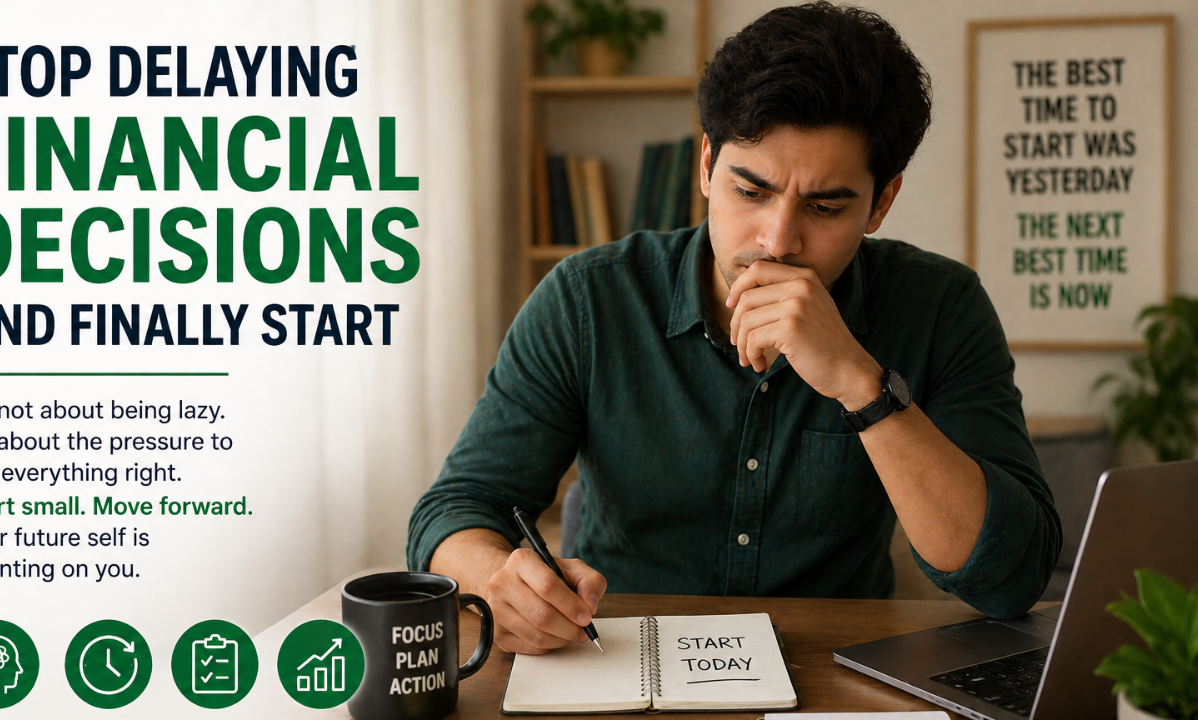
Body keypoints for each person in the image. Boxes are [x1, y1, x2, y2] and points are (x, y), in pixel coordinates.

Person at [407, 1, 1060, 656]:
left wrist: (861, 385)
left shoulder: (940, 306)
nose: (778, 240)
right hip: (618, 660)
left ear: (880, 202)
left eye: (826, 206)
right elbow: (454, 512)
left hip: (834, 673)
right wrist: (498, 581)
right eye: (750, 192)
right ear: (706, 166)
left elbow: (1010, 581)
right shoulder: (590, 298)